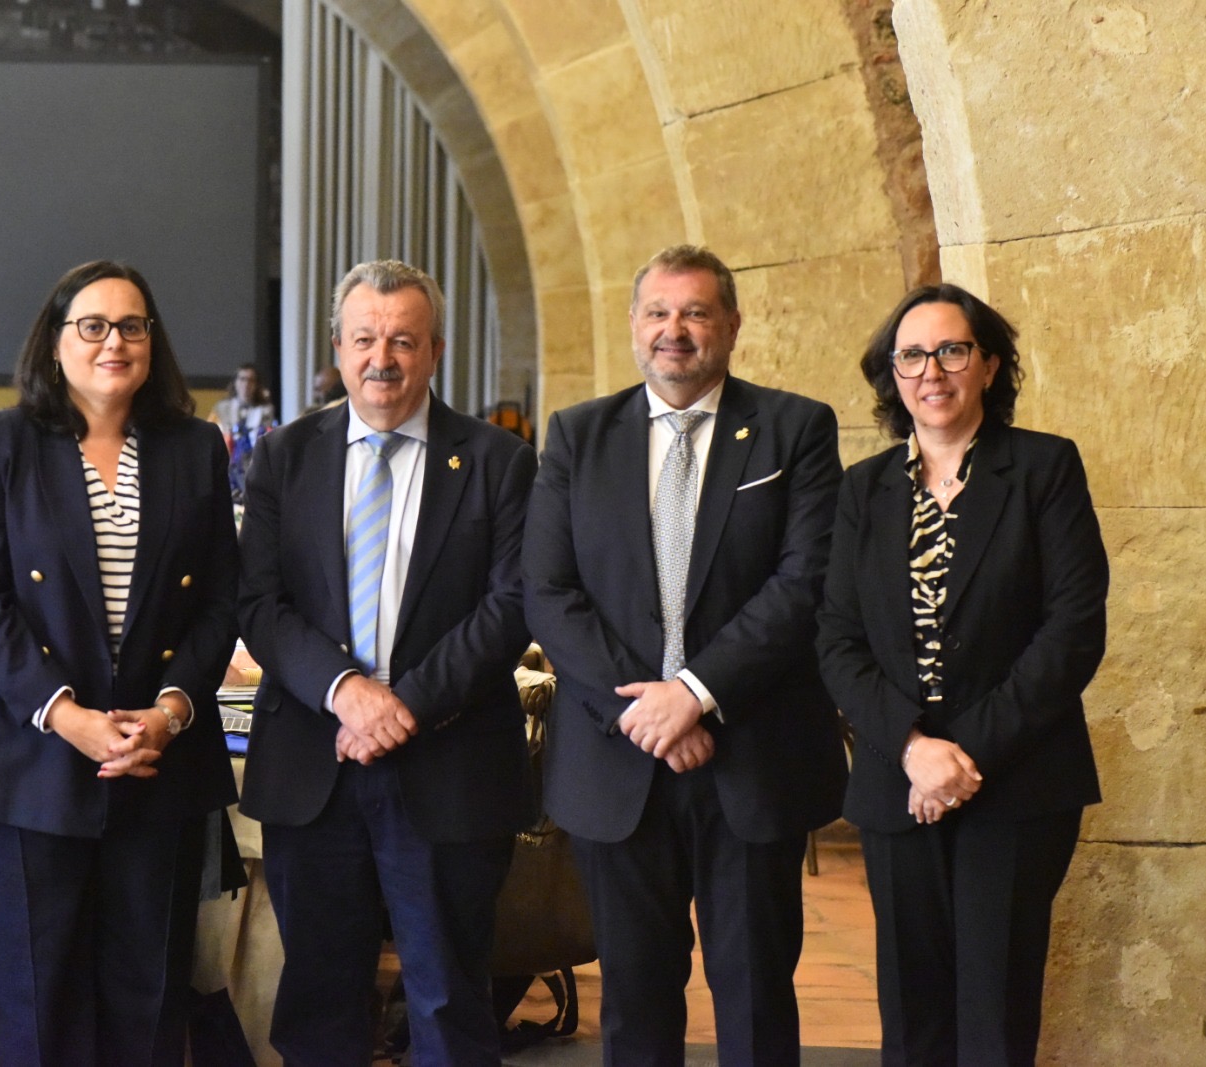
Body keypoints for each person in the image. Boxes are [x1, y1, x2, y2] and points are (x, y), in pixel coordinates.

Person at [523, 244, 848, 1065]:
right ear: (634, 325)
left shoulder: (794, 429)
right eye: (659, 312)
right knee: (633, 1000)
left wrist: (695, 692)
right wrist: (649, 709)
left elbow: (804, 581)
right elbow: (550, 593)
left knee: (756, 992)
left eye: (697, 312)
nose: (676, 330)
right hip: (616, 757)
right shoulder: (576, 435)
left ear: (732, 325)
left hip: (752, 754)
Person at [0, 261, 238, 1066]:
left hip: (153, 761)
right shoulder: (3, 443)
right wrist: (70, 717)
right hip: (29, 763)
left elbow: (221, 602)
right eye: (92, 325)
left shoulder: (194, 447)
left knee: (151, 1002)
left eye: (132, 325)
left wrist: (167, 715)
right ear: (55, 340)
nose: (113, 342)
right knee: (40, 1002)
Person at [237, 259, 536, 1064]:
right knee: (318, 1002)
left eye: (403, 340)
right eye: (365, 339)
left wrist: (397, 705)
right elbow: (259, 604)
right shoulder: (283, 457)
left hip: (449, 767)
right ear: (337, 348)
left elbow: (510, 607)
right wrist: (346, 694)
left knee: (449, 1002)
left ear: (436, 350)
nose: (383, 359)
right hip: (313, 766)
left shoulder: (498, 462)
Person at [816, 285, 1108, 1066]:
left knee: (994, 1011)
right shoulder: (862, 489)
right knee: (910, 1014)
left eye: (952, 350)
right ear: (892, 373)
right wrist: (914, 748)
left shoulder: (1044, 467)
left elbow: (1073, 631)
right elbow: (837, 639)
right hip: (895, 780)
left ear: (989, 365)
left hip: (1015, 782)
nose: (931, 370)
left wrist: (961, 755)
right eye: (911, 355)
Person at [208, 363, 276, 440]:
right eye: (242, 379)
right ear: (235, 382)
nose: (246, 384)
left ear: (257, 385)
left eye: (251, 380)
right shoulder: (222, 408)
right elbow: (211, 434)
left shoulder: (266, 410)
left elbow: (268, 437)